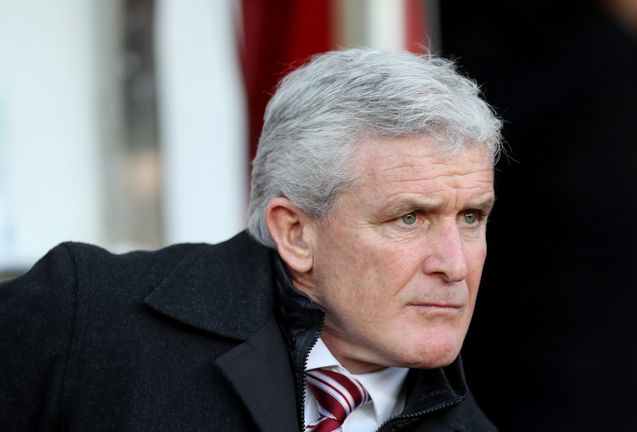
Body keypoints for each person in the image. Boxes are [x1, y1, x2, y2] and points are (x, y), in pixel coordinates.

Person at [0, 48, 502, 431]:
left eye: (471, 217)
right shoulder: (86, 318)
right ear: (295, 233)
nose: (455, 265)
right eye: (410, 218)